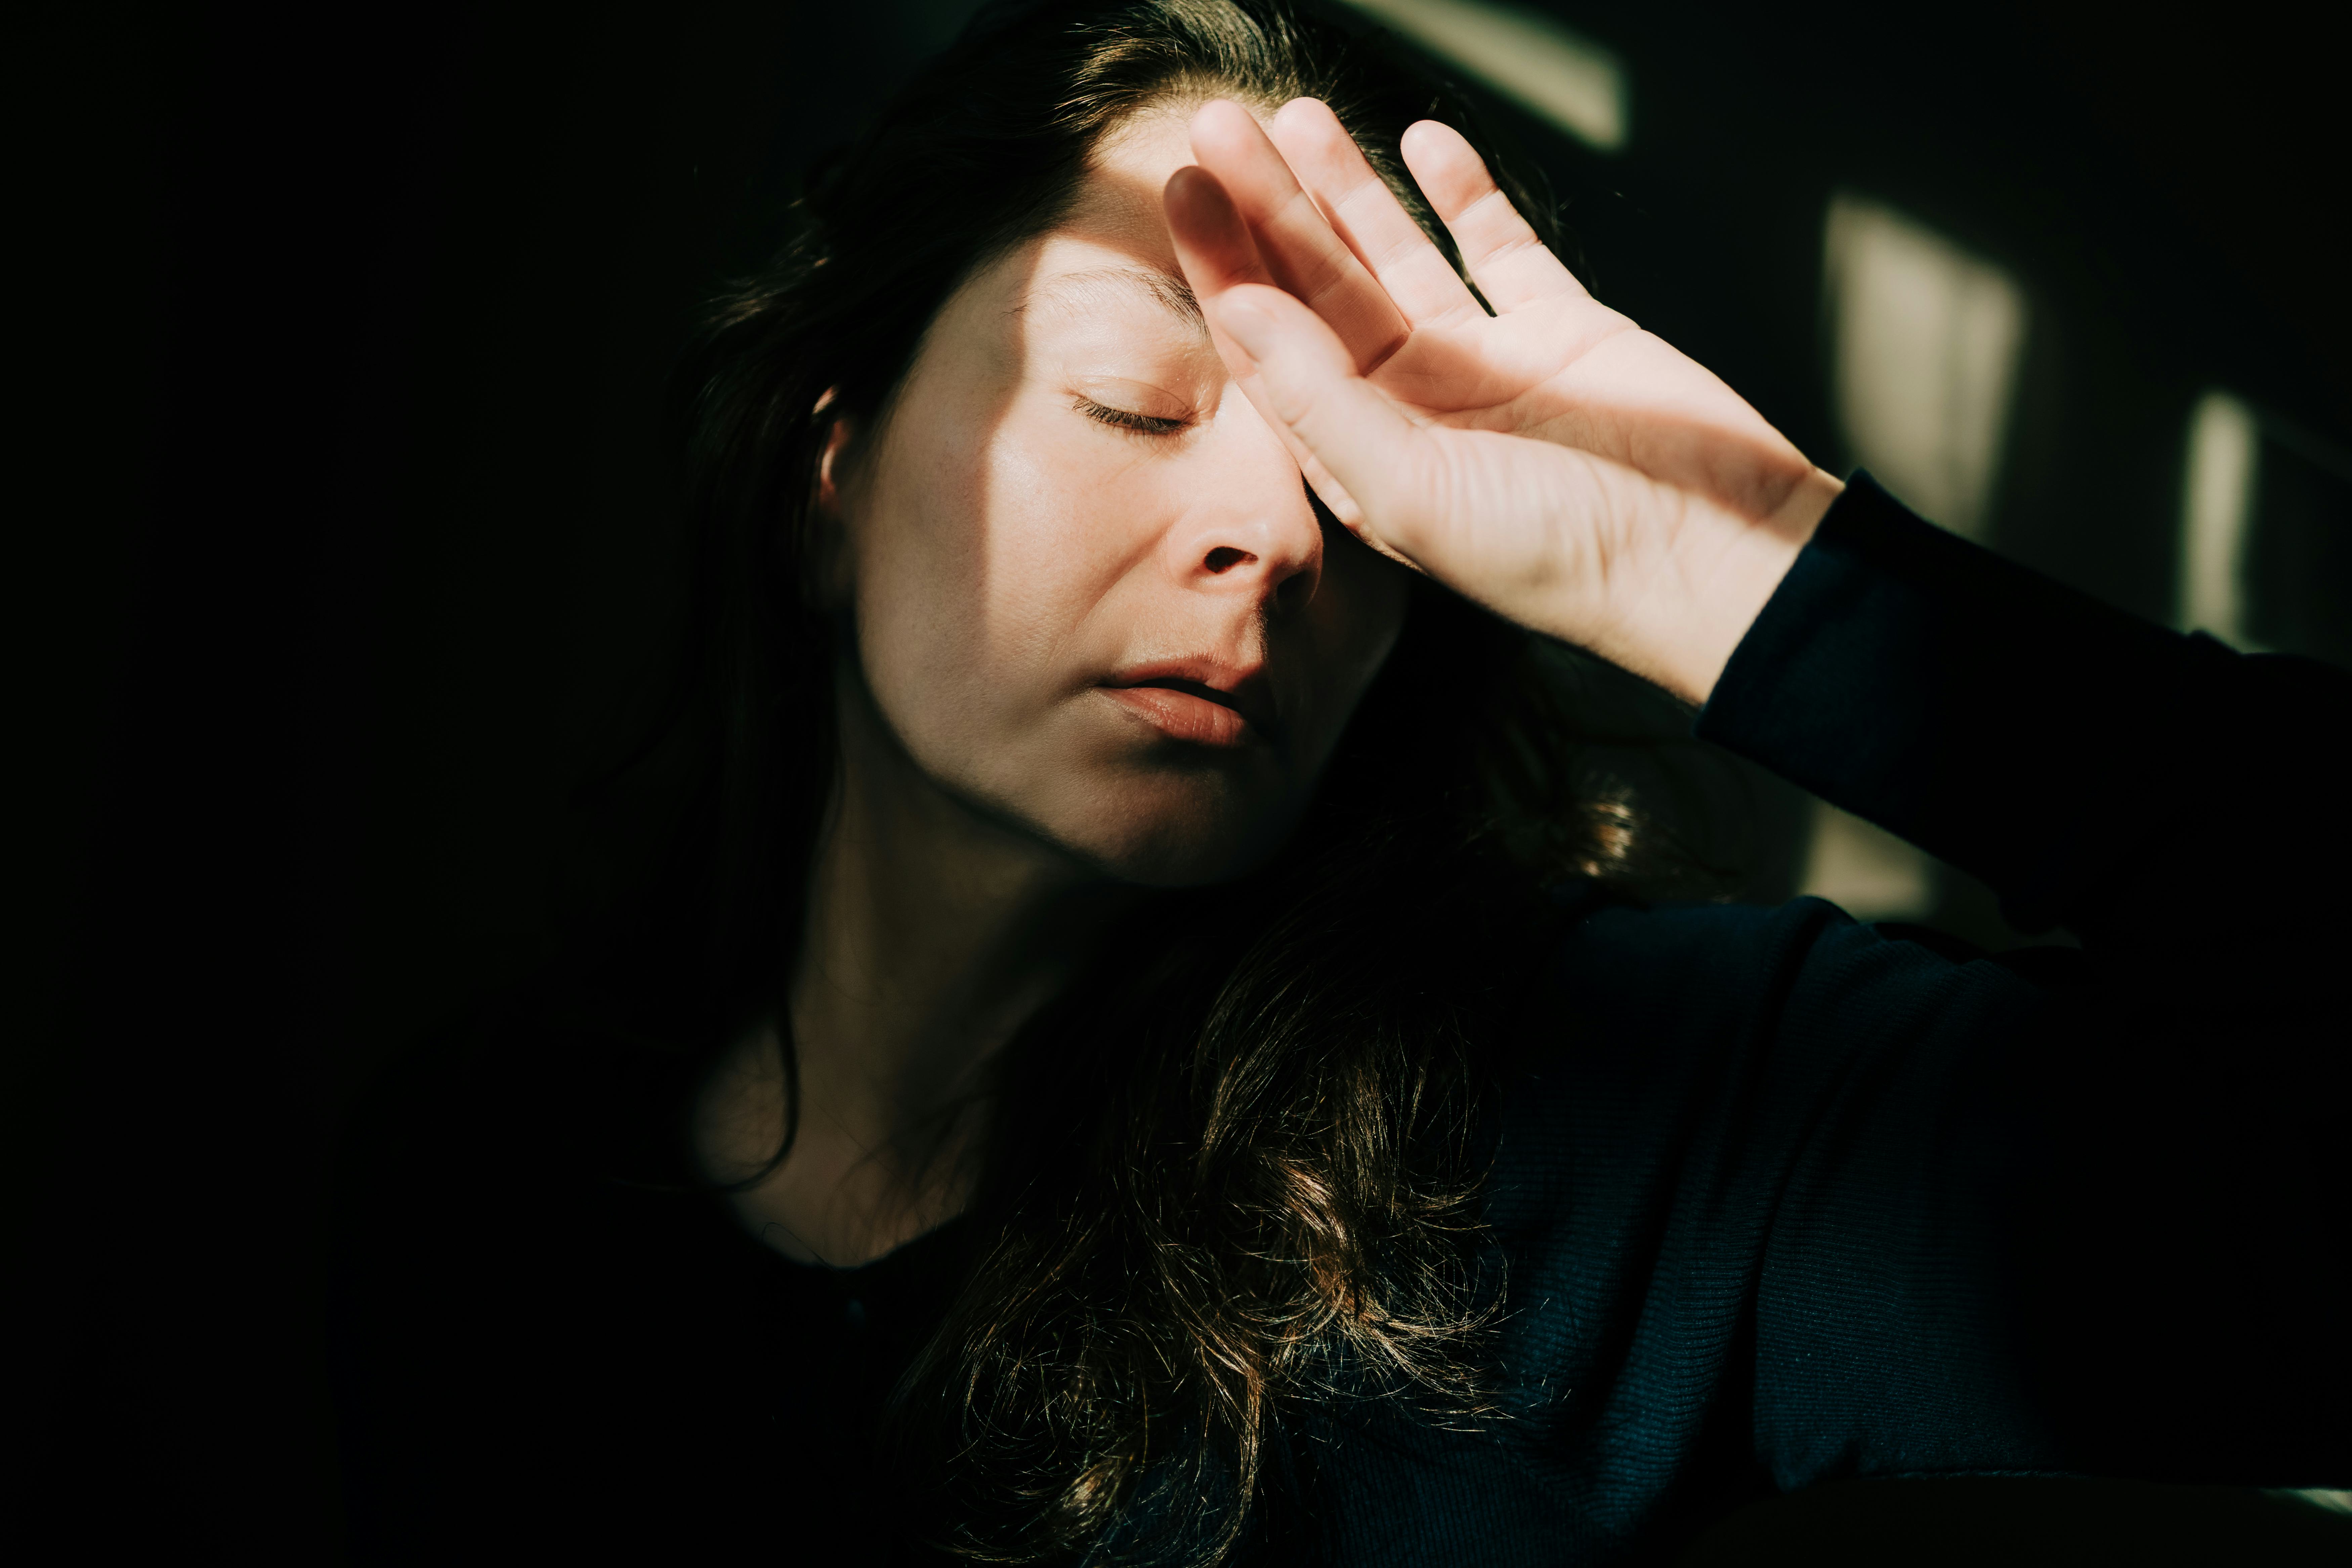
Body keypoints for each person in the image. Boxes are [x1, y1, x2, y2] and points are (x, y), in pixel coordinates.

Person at [330, 1, 2348, 1562]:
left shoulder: (1603, 1142)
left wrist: (1738, 570)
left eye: (1347, 493)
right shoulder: (474, 1185)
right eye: (1134, 398)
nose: (1273, 536)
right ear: (827, 473)